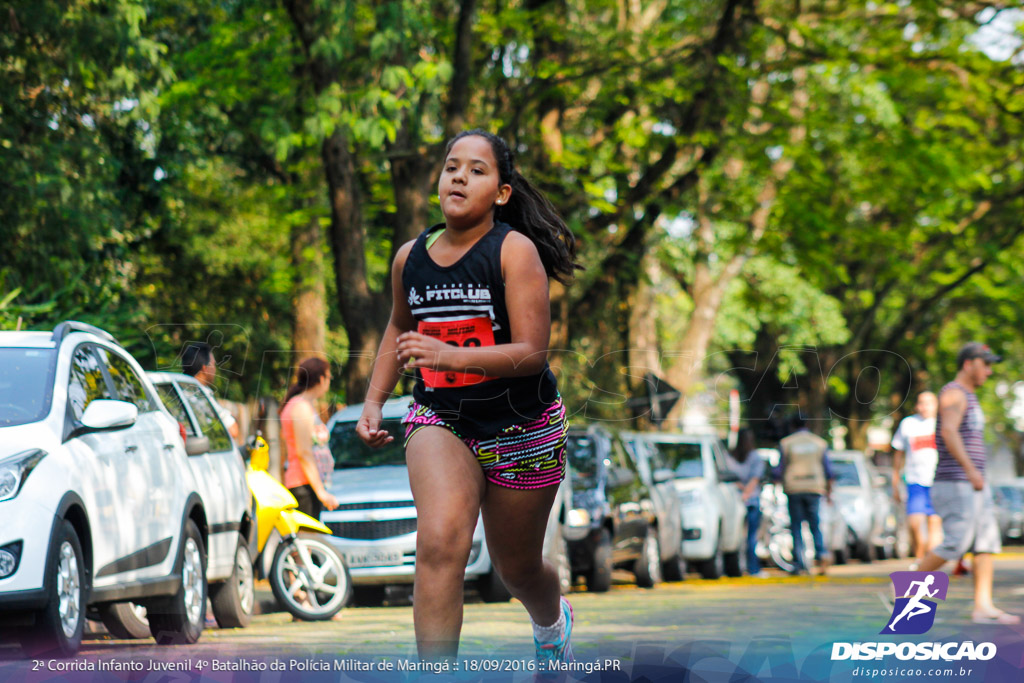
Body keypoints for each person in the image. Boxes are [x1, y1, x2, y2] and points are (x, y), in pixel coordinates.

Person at [355, 129, 580, 664]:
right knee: (438, 541)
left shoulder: (513, 251)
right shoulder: (410, 257)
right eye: (452, 166)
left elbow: (531, 353)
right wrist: (372, 402)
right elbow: (397, 328)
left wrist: (451, 357)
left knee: (516, 566)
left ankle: (552, 620)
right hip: (442, 416)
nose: (460, 176)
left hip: (520, 425)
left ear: (502, 193)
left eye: (477, 170)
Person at [914, 343, 1019, 624]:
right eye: (985, 364)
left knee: (985, 543)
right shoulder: (954, 394)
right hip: (956, 481)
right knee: (955, 544)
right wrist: (971, 470)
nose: (989, 370)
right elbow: (948, 432)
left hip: (973, 483)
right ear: (968, 364)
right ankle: (903, 590)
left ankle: (983, 607)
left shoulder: (968, 396)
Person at [773, 414, 835, 576]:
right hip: (814, 488)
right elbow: (828, 470)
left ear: (792, 425)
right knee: (815, 524)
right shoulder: (819, 443)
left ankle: (800, 564)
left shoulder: (786, 443)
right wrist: (829, 491)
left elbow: (780, 469)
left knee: (796, 527)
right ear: (807, 424)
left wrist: (775, 483)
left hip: (794, 488)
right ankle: (821, 555)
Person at [281, 357, 338, 519]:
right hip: (302, 484)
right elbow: (304, 452)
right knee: (308, 540)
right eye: (329, 377)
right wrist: (321, 492)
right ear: (321, 379)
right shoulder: (301, 408)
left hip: (307, 484)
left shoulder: (303, 405)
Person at [890, 391, 942, 565]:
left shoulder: (942, 424)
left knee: (934, 524)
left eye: (929, 403)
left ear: (936, 405)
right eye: (921, 402)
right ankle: (921, 558)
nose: (924, 406)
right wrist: (895, 481)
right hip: (915, 482)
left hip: (937, 481)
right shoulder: (908, 424)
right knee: (914, 524)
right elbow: (898, 453)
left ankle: (926, 563)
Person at [181, 341, 241, 442]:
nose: (215, 370)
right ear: (205, 368)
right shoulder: (201, 395)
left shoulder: (176, 389)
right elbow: (233, 431)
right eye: (213, 365)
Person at [728, 428, 767, 577]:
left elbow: (730, 477)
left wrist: (742, 490)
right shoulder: (756, 457)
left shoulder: (730, 457)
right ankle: (753, 568)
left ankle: (738, 567)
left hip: (735, 500)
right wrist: (747, 493)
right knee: (751, 537)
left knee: (736, 536)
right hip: (751, 500)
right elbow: (755, 479)